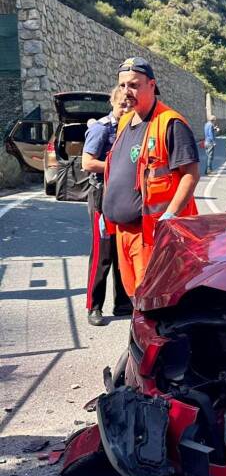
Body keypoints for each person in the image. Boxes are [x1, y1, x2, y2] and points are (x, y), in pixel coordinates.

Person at [102, 57, 200, 300]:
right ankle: (137, 337)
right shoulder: (125, 120)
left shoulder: (170, 123)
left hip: (151, 234)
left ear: (152, 85)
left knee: (151, 298)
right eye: (122, 85)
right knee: (135, 296)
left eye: (134, 85)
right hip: (122, 232)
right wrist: (107, 212)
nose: (127, 92)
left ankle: (146, 339)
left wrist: (171, 216)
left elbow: (190, 175)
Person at [81, 87, 133, 326]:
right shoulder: (102, 128)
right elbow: (88, 162)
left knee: (122, 248)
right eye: (122, 104)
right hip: (102, 195)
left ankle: (122, 302)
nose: (126, 108)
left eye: (129, 105)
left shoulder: (131, 129)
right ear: (113, 102)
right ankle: (94, 306)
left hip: (124, 195)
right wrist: (117, 167)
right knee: (103, 252)